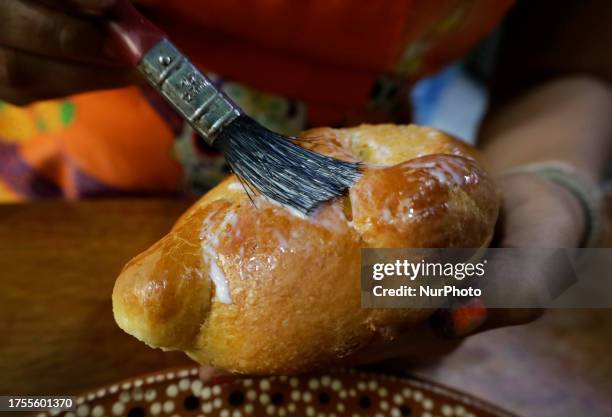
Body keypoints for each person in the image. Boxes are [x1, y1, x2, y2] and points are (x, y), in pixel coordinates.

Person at [0, 0, 610, 368]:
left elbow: (570, 57)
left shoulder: (405, 214)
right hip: (42, 222)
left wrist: (553, 186)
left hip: (384, 243)